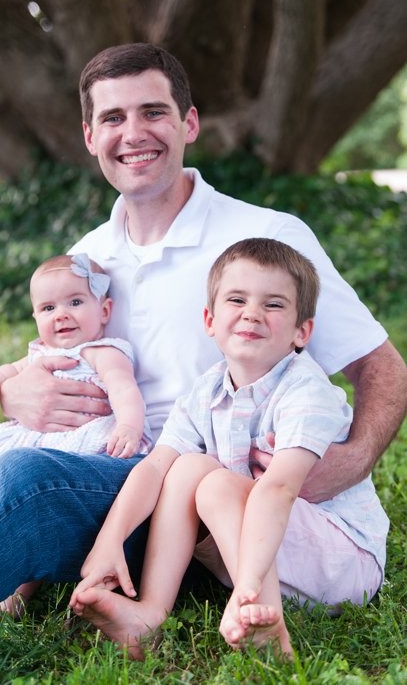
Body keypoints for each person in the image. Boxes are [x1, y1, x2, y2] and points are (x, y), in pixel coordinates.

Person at [0, 43, 407, 671]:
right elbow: (59, 356)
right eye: (112, 119)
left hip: (211, 499)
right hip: (131, 472)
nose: (133, 134)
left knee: (31, 485)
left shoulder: (265, 241)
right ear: (89, 136)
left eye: (153, 112)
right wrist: (21, 387)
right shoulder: (89, 256)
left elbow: (380, 365)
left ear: (188, 123)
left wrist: (353, 460)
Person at [70, 238, 388, 658]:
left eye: (273, 304)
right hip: (267, 551)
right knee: (186, 468)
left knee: (217, 485)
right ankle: (148, 614)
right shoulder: (207, 390)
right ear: (210, 319)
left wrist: (249, 586)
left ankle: (261, 614)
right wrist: (109, 540)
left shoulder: (306, 390)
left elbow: (278, 489)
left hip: (343, 562)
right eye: (237, 299)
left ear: (301, 331)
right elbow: (154, 468)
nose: (252, 313)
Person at [0, 252, 147, 617]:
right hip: (29, 435)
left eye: (76, 302)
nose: (61, 314)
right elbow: (10, 370)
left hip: (76, 439)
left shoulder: (103, 351)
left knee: (34, 505)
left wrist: (129, 426)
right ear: (36, 317)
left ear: (105, 310)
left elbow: (124, 389)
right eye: (48, 308)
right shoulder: (39, 352)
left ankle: (16, 594)